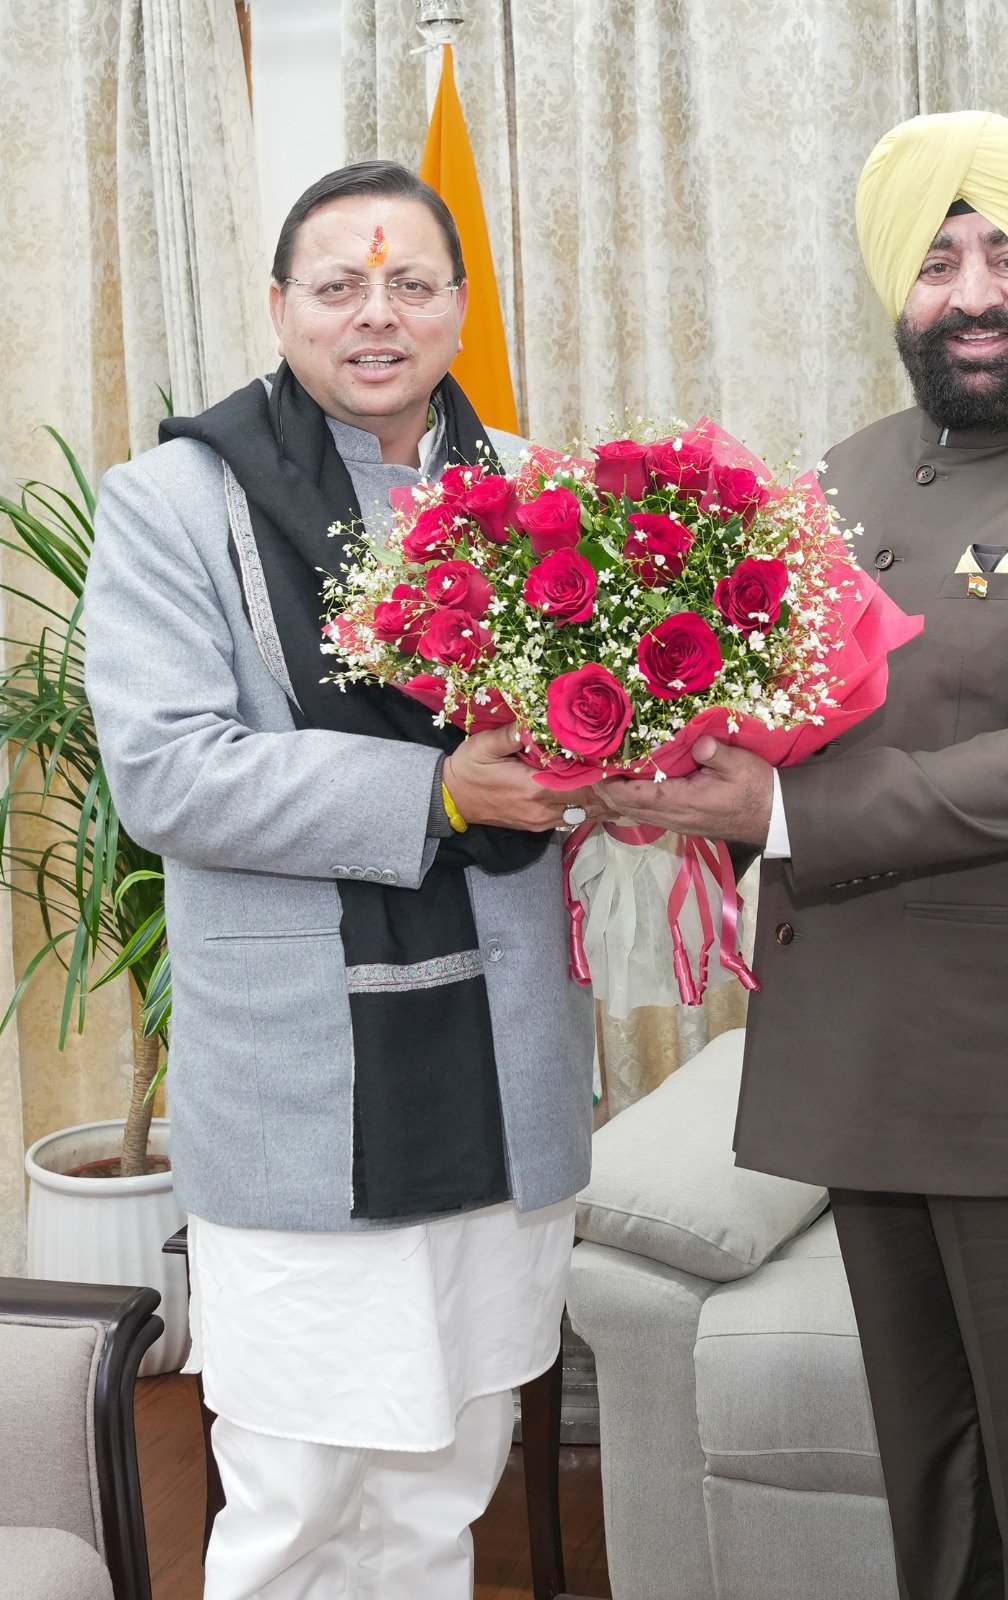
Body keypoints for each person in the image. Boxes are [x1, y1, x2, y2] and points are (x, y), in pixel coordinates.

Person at [602, 111, 1008, 1600]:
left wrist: (770, 815)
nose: (971, 294)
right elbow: (778, 705)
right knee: (934, 1481)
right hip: (861, 1052)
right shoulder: (845, 475)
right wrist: (650, 752)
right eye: (937, 261)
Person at [84, 161, 595, 1600]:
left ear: (459, 308)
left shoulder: (542, 495)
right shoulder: (172, 502)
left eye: (411, 284)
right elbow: (166, 774)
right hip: (304, 1077)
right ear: (279, 306)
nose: (378, 315)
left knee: (449, 1479)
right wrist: (439, 792)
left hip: (500, 1058)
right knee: (296, 1492)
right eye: (339, 285)